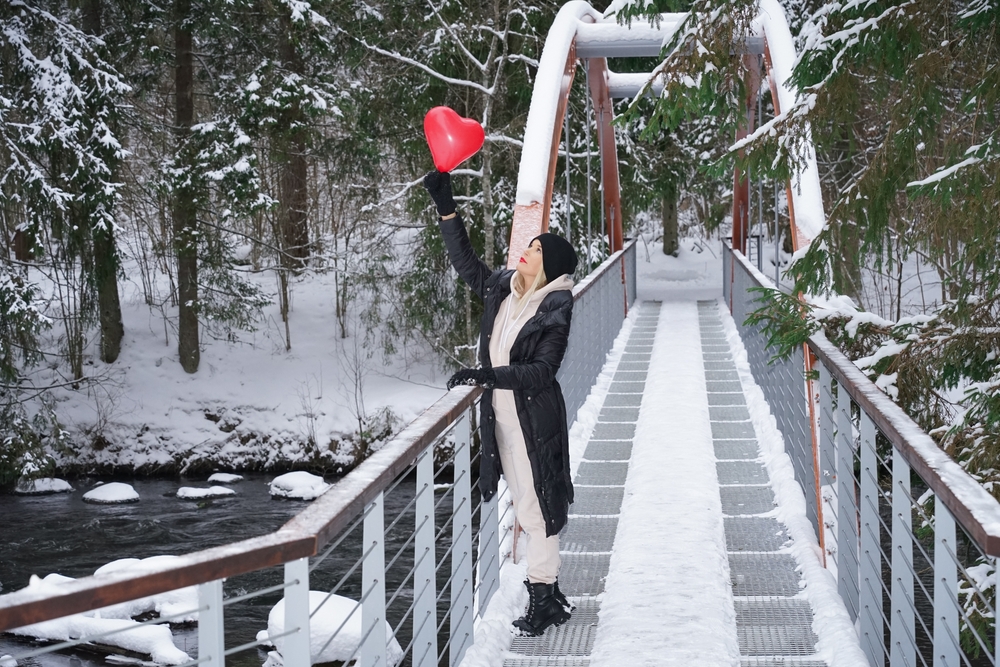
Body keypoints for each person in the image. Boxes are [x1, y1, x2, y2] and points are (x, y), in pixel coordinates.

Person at [424, 170, 578, 637]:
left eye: (534, 250)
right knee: (532, 508)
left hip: (533, 422)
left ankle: (543, 598)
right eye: (529, 246)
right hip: (503, 423)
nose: (525, 251)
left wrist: (487, 376)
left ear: (547, 266)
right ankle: (549, 596)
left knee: (537, 513)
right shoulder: (506, 289)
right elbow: (467, 264)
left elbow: (541, 371)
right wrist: (446, 208)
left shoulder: (555, 307)